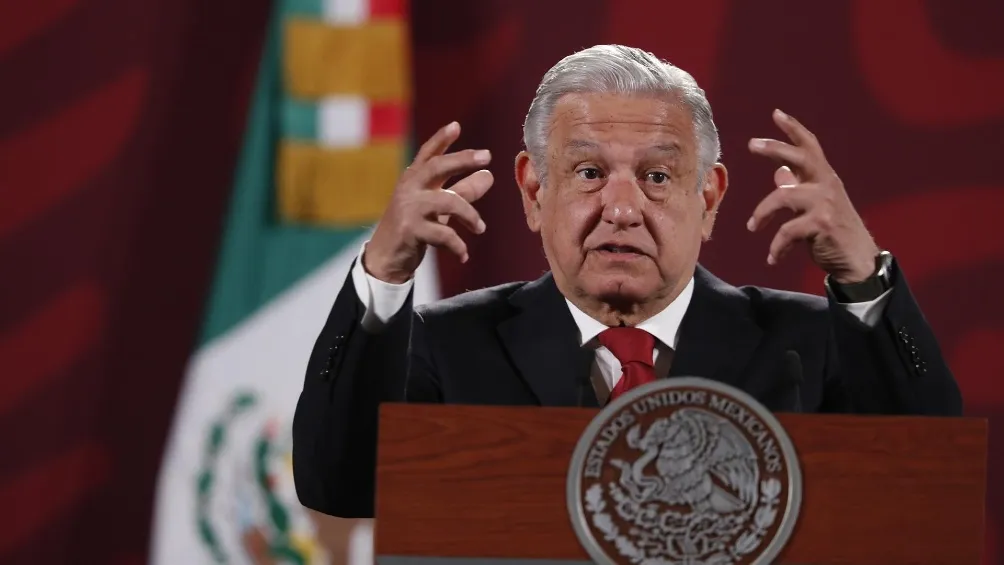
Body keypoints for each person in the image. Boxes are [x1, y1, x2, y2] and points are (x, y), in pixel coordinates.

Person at [292, 45, 962, 518]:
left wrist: (862, 278)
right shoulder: (446, 344)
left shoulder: (806, 344)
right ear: (533, 190)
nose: (621, 207)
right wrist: (382, 277)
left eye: (658, 175)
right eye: (587, 172)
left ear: (711, 197)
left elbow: (935, 488)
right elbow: (336, 483)